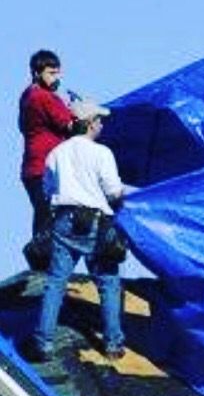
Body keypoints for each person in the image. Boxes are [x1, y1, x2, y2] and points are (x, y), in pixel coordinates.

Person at [20, 99, 130, 363]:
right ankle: (113, 343)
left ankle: (43, 343)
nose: (102, 124)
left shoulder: (57, 153)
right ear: (90, 123)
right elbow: (113, 191)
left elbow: (47, 190)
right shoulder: (101, 153)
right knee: (108, 282)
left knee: (56, 282)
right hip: (95, 222)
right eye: (100, 120)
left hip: (64, 221)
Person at [18, 50, 75, 245]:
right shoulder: (44, 97)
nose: (56, 78)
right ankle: (43, 266)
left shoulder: (27, 96)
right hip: (46, 166)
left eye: (57, 73)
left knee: (43, 218)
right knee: (50, 220)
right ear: (36, 72)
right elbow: (69, 126)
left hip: (32, 167)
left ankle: (41, 263)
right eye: (51, 73)